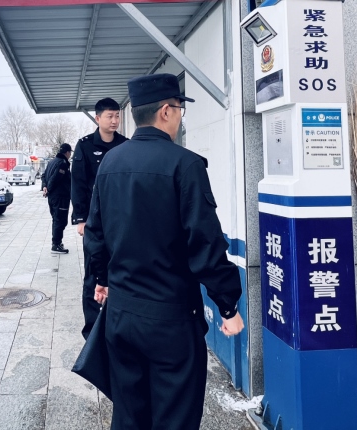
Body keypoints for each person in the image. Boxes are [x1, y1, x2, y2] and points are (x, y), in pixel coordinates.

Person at [84, 74, 245, 430]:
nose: (180, 117)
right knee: (175, 417)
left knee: (129, 416)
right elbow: (205, 243)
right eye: (179, 109)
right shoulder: (185, 164)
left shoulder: (110, 163)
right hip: (170, 319)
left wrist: (102, 278)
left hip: (121, 315)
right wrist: (228, 305)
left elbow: (95, 234)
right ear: (167, 111)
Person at [71, 97, 128, 339]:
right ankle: (92, 333)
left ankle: (119, 327)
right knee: (94, 275)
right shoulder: (84, 146)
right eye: (109, 116)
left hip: (121, 222)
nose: (114, 120)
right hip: (95, 222)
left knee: (122, 272)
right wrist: (81, 219)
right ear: (98, 118)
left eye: (117, 116)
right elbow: (78, 183)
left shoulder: (125, 145)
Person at [43, 143, 73, 253]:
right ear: (67, 152)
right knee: (60, 220)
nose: (70, 155)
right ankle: (56, 244)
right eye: (70, 153)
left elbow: (44, 176)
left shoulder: (52, 162)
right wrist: (49, 189)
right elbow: (55, 178)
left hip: (53, 197)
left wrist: (45, 187)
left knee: (56, 219)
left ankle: (56, 242)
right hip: (60, 197)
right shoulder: (62, 163)